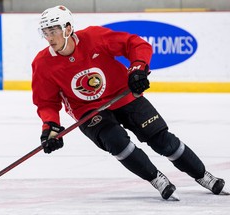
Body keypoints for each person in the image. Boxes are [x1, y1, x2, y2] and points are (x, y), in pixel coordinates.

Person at [31, 5, 228, 200]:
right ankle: (156, 179)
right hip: (89, 110)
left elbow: (136, 44)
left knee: (163, 141)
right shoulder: (42, 63)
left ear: (67, 28)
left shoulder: (94, 38)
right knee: (116, 141)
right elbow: (46, 102)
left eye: (54, 31)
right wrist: (51, 127)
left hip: (122, 95)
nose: (49, 37)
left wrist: (138, 68)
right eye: (45, 32)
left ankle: (203, 176)